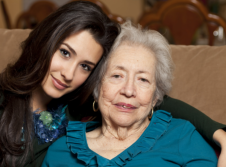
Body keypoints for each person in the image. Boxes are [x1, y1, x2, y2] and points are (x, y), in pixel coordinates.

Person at [42, 21, 218, 166]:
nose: (128, 91)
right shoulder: (62, 150)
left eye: (143, 80)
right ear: (96, 86)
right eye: (117, 76)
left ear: (156, 95)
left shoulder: (182, 138)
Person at [0, 1, 120, 167]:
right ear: (45, 41)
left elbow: (151, 99)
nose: (68, 74)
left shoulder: (80, 108)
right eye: (65, 53)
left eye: (85, 66)